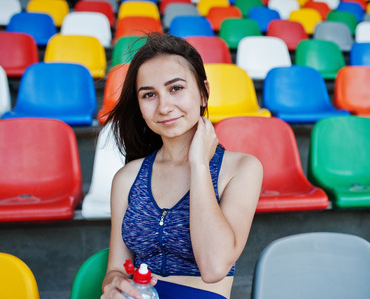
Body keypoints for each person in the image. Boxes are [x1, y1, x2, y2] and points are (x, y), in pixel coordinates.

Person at [101, 33, 263, 299]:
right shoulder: (127, 178)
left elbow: (214, 267)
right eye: (149, 94)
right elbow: (116, 268)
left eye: (176, 88)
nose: (164, 106)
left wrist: (199, 165)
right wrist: (114, 284)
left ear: (203, 93)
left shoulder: (242, 169)